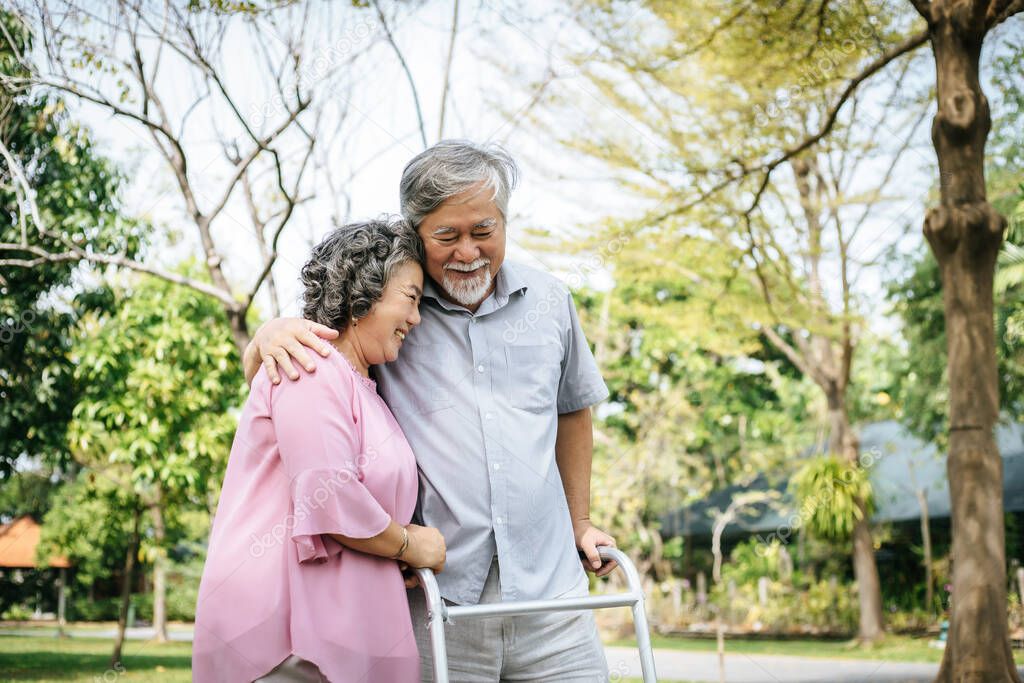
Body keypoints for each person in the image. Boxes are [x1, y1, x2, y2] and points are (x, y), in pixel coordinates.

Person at [246, 140, 616, 681]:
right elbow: (302, 369)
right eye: (447, 236)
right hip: (437, 599)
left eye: (484, 231)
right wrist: (266, 334)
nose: (468, 252)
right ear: (415, 233)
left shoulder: (550, 301)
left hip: (553, 599)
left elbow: (572, 411)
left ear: (504, 222)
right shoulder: (391, 310)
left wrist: (580, 521)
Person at [193, 219, 446, 683]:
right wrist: (410, 545)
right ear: (362, 294)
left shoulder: (364, 386)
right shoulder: (309, 365)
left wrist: (392, 552)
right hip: (289, 648)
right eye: (410, 299)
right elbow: (328, 494)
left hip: (346, 634)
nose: (417, 317)